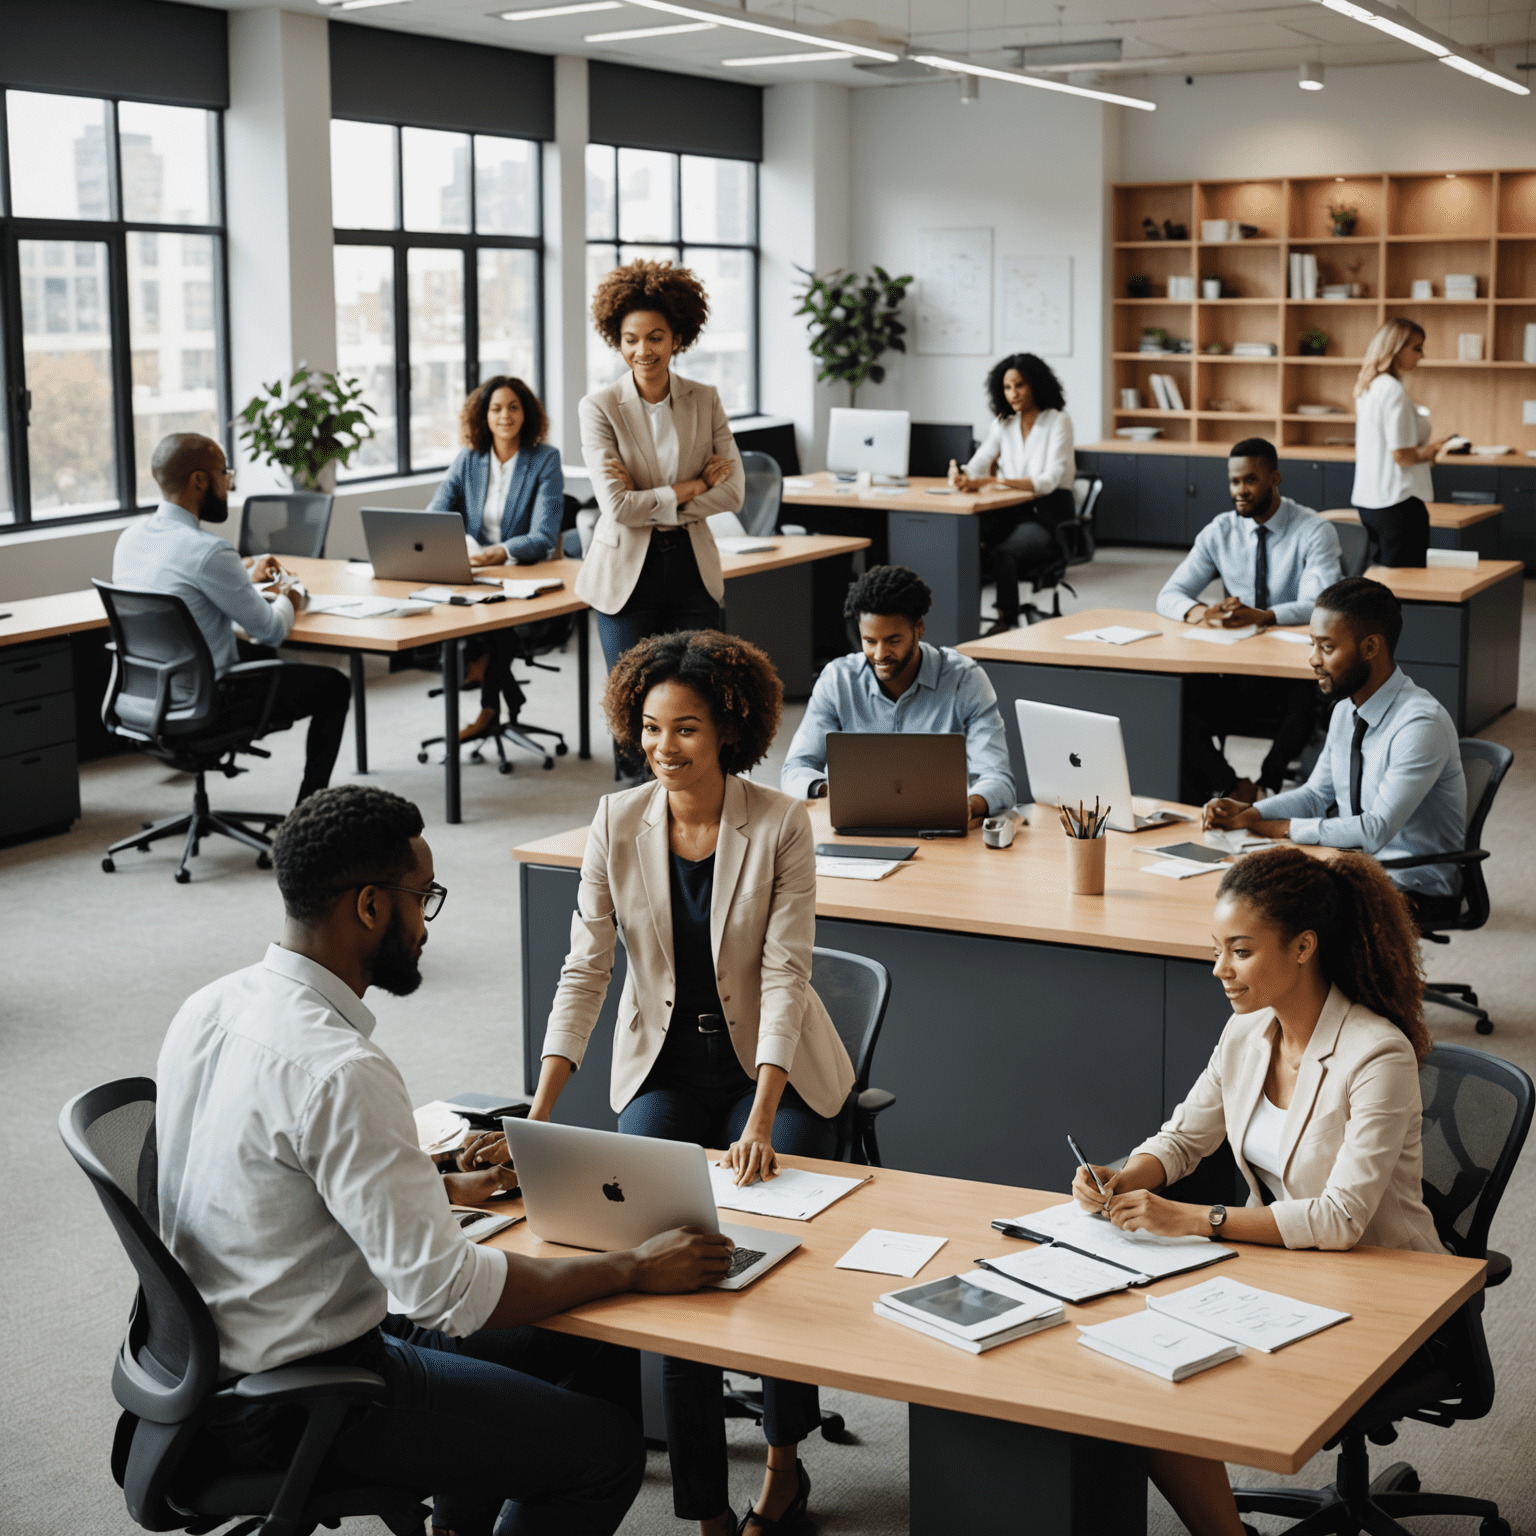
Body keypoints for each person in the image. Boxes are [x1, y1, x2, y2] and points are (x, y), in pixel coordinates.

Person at [155, 784, 731, 1536]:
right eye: (422, 898)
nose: (427, 924)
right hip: (312, 1394)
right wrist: (634, 1266)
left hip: (215, 1364)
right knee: (608, 1452)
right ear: (369, 907)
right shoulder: (341, 1069)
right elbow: (450, 1296)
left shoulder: (210, 1006)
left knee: (582, 1336)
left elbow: (268, 1171)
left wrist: (441, 1180)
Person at [526, 630, 856, 1536]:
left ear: (729, 730)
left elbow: (788, 973)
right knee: (670, 1256)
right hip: (665, 1064)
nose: (663, 748)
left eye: (686, 730)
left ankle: (784, 1467)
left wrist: (760, 1116)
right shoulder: (615, 821)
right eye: (649, 727)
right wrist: (543, 1110)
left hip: (768, 1075)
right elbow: (585, 969)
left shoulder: (781, 820)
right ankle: (708, 1517)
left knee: (776, 1245)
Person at [1071, 844, 1444, 1536]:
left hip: (1385, 1285)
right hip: (1283, 1268)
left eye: (1239, 951)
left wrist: (1192, 1219)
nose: (1219, 970)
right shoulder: (1247, 1032)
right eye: (1216, 948)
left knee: (1172, 1370)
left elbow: (1340, 1220)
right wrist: (1125, 1173)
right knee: (1139, 1359)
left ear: (1303, 947)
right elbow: (1184, 1139)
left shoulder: (1376, 1054)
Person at [1204, 577, 1467, 922]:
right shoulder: (1346, 708)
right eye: (1312, 645)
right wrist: (1253, 813)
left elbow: (1374, 830)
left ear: (1370, 647)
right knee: (1245, 886)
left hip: (1412, 883)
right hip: (1353, 865)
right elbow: (1316, 795)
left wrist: (1279, 827)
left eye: (1327, 648)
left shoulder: (1419, 725)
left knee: (1280, 914)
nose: (1313, 660)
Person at [112, 432, 350, 805]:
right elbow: (270, 630)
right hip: (211, 702)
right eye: (225, 473)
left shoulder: (131, 539)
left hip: (152, 694)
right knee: (334, 685)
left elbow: (183, 587)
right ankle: (309, 810)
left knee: (261, 657)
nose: (228, 484)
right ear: (199, 481)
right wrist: (289, 593)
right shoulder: (209, 551)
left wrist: (239, 574)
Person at [577, 260, 745, 675]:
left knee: (699, 694)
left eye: (655, 338)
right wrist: (693, 486)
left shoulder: (705, 400)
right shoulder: (598, 408)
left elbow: (732, 492)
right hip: (626, 577)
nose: (642, 351)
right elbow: (617, 508)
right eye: (630, 339)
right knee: (631, 702)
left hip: (692, 569)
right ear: (617, 341)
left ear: (677, 339)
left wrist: (648, 503)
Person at [1155, 438, 1344, 803]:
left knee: (1304, 698)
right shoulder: (1220, 532)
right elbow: (1169, 594)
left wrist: (1268, 616)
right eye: (1234, 482)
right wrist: (1201, 612)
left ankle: (1269, 786)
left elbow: (1323, 604)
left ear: (1274, 478)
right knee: (1172, 697)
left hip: (1289, 670)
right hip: (1235, 667)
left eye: (1250, 481)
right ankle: (1232, 785)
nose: (1240, 491)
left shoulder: (1313, 531)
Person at [780, 564, 1015, 826]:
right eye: (869, 641)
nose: (880, 655)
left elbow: (998, 779)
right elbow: (795, 769)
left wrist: (970, 805)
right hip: (859, 823)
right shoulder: (838, 680)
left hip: (937, 828)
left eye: (893, 641)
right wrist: (830, 790)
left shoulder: (965, 680)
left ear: (919, 628)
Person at [429, 375, 564, 743]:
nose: (505, 415)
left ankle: (489, 709)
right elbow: (435, 515)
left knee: (496, 626)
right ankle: (504, 695)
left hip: (520, 574)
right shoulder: (468, 460)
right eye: (496, 408)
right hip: (473, 571)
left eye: (514, 407)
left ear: (527, 414)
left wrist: (502, 551)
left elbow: (543, 537)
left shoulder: (544, 460)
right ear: (483, 416)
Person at [947, 352, 1075, 634]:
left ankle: (1008, 621)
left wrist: (1000, 482)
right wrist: (963, 475)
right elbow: (979, 465)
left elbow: (1050, 480)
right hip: (1010, 512)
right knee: (965, 543)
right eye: (1007, 387)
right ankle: (960, 622)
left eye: (1020, 385)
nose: (1013, 394)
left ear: (1036, 385)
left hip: (1048, 515)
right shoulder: (1003, 424)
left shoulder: (1058, 421)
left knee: (1003, 553)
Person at [1351, 319, 1455, 568]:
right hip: (1398, 504)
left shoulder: (1368, 387)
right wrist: (1432, 451)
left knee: (1384, 580)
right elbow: (1403, 455)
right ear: (1395, 349)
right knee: (1407, 583)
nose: (1422, 355)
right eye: (1417, 348)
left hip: (1370, 502)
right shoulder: (1392, 389)